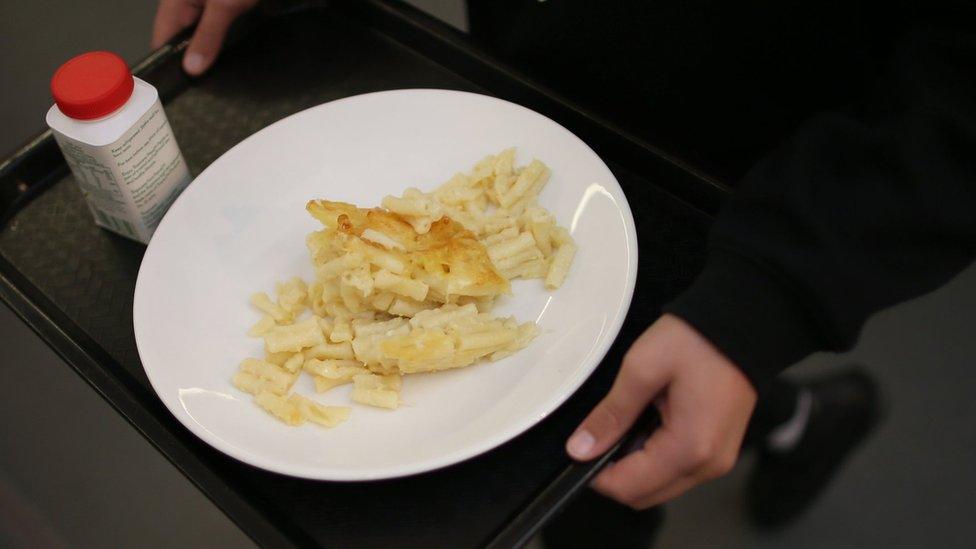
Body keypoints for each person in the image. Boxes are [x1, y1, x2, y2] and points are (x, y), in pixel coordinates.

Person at [152, 0, 976, 541]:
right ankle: (799, 418)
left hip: (742, 162)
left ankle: (783, 412)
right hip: (528, 60)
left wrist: (773, 294)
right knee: (635, 398)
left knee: (590, 470)